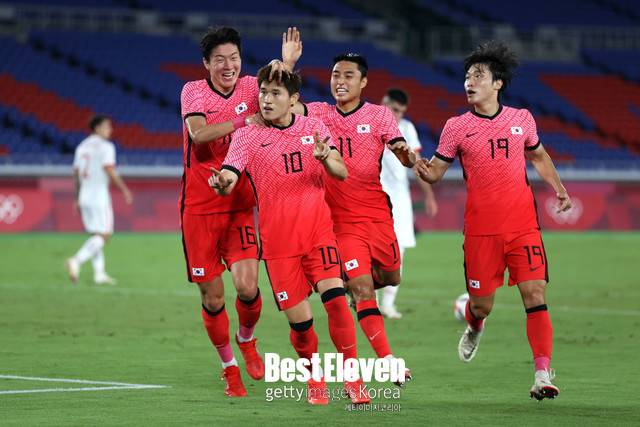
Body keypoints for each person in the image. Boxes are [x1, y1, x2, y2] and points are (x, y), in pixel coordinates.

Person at [415, 41, 572, 400]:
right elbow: (435, 173)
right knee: (482, 304)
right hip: (481, 232)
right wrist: (420, 167)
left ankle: (542, 374)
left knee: (535, 294)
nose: (469, 82)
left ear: (498, 83)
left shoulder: (522, 119)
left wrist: (559, 188)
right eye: (467, 77)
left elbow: (539, 156)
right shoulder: (456, 127)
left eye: (478, 76)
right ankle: (474, 324)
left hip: (523, 227)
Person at [209, 64, 369, 405]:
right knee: (302, 325)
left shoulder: (314, 127)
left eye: (275, 94)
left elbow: (341, 172)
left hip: (317, 235)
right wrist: (221, 182)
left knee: (336, 301)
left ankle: (353, 379)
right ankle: (315, 378)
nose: (266, 100)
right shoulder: (247, 136)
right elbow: (229, 176)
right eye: (263, 93)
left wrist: (326, 159)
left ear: (293, 99)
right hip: (279, 246)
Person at [180, 26, 301, 397]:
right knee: (213, 298)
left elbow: (282, 94)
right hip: (199, 210)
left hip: (240, 206)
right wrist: (242, 121)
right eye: (219, 59)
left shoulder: (252, 87)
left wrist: (288, 62)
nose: (228, 65)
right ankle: (229, 367)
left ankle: (246, 340)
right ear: (207, 64)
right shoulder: (193, 91)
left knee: (248, 287)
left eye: (234, 57)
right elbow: (198, 134)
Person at [294, 53, 414, 384]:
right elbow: (285, 106)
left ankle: (349, 280)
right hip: (339, 221)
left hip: (376, 214)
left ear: (363, 82)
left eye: (348, 75)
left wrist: (406, 156)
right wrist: (287, 65)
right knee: (363, 289)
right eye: (335, 74)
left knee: (391, 276)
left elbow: (401, 151)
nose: (340, 81)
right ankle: (388, 360)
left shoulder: (379, 115)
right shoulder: (318, 113)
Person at [378, 88, 438, 319]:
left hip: (400, 199)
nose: (397, 115)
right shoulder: (367, 123)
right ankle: (368, 301)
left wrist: (429, 195)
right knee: (369, 251)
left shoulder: (407, 129)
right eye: (394, 109)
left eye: (401, 111)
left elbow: (417, 164)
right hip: (372, 197)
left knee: (399, 251)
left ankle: (388, 304)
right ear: (383, 103)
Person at [65, 115, 132, 285]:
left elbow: (76, 174)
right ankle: (76, 260)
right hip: (99, 196)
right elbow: (109, 169)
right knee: (105, 234)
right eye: (107, 126)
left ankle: (99, 274)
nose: (110, 130)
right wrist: (124, 189)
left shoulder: (82, 147)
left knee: (96, 234)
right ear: (97, 128)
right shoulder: (106, 147)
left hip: (84, 195)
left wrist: (77, 198)